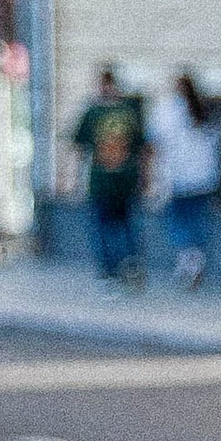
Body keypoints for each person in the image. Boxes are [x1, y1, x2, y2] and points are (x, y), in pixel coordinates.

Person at [70, 64, 149, 288]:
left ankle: (110, 272)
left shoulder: (93, 112)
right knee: (127, 225)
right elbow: (143, 150)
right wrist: (144, 179)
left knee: (103, 228)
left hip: (103, 181)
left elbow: (79, 148)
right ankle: (131, 264)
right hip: (126, 180)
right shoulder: (129, 112)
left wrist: (74, 180)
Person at [147, 70, 221, 289]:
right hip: (204, 178)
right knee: (197, 221)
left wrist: (150, 178)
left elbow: (153, 143)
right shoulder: (205, 109)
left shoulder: (167, 110)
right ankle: (196, 260)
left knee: (178, 222)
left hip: (178, 178)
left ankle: (187, 262)